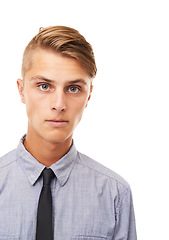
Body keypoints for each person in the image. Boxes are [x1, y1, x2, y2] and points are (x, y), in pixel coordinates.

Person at [0, 26, 137, 239]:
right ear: (21, 90)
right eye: (44, 86)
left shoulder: (115, 195)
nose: (59, 104)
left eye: (73, 88)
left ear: (89, 95)